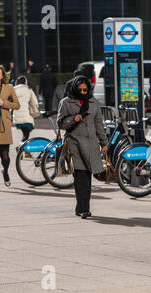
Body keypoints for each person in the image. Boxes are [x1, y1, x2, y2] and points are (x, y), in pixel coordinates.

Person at [57, 76, 108, 219]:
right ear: (74, 88)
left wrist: (104, 143)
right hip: (74, 143)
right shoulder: (66, 102)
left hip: (91, 143)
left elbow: (99, 124)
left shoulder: (94, 103)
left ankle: (84, 206)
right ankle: (82, 208)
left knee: (88, 176)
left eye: (85, 90)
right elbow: (60, 123)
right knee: (80, 176)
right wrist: (74, 118)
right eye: (80, 90)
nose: (83, 92)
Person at [13, 76, 39, 149]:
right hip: (26, 116)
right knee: (26, 135)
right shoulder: (28, 89)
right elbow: (35, 102)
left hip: (17, 116)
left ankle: (26, 151)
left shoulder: (13, 90)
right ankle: (20, 147)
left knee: (25, 134)